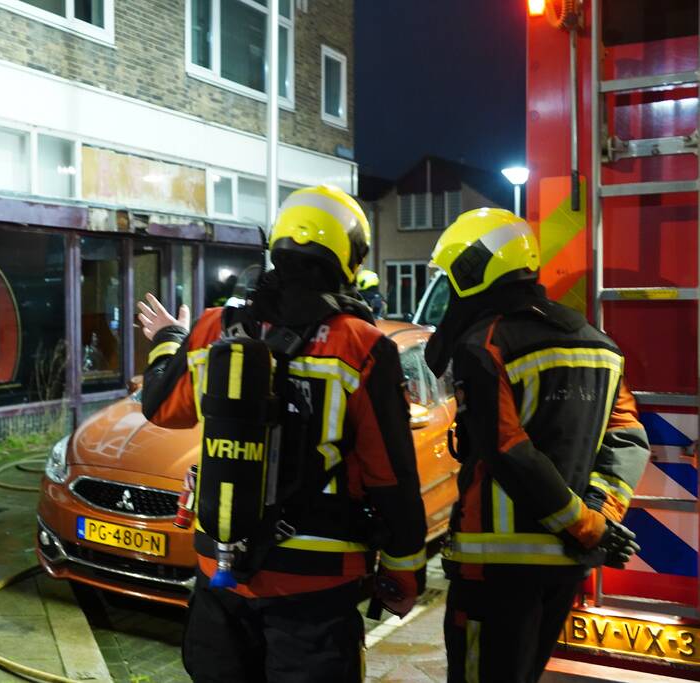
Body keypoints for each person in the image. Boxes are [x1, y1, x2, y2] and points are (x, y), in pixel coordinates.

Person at [136, 185, 427, 682]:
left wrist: (168, 341)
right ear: (348, 257)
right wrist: (404, 568)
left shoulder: (213, 327)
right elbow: (390, 475)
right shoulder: (362, 345)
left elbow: (162, 408)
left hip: (220, 571)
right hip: (316, 586)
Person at [424, 208, 649, 682]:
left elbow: (508, 449)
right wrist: (599, 517)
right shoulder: (599, 344)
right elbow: (626, 439)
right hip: (563, 567)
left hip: (494, 567)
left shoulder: (484, 345)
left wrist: (588, 527)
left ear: (472, 269)